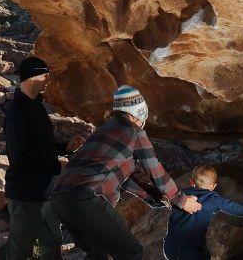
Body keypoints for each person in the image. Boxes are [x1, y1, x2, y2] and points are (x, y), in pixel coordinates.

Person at [51, 85, 202, 260]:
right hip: (85, 198)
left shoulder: (105, 129)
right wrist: (182, 200)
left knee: (99, 254)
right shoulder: (134, 132)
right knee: (131, 252)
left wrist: (155, 197)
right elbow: (155, 170)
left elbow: (121, 176)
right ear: (139, 112)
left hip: (60, 199)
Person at [4, 56, 86, 260]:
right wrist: (55, 165)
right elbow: (21, 156)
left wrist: (64, 147)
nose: (48, 79)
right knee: (21, 249)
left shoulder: (36, 107)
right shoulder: (17, 112)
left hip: (45, 190)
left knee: (52, 243)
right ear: (32, 76)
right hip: (25, 194)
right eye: (44, 75)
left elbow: (41, 146)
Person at [163, 165, 243, 260]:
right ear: (213, 187)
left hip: (169, 249)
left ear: (191, 182)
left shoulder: (180, 195)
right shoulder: (213, 199)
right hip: (191, 254)